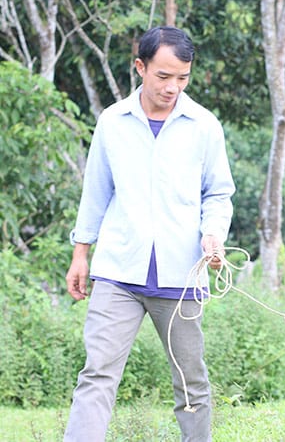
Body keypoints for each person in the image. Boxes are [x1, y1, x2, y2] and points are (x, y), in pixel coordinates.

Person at [64, 26, 235, 442]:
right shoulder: (112, 122)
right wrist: (80, 253)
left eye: (183, 78)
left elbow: (218, 193)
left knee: (190, 381)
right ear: (140, 67)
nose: (173, 87)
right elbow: (96, 192)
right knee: (98, 374)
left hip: (181, 277)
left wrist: (212, 234)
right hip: (118, 272)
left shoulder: (203, 125)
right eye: (163, 76)